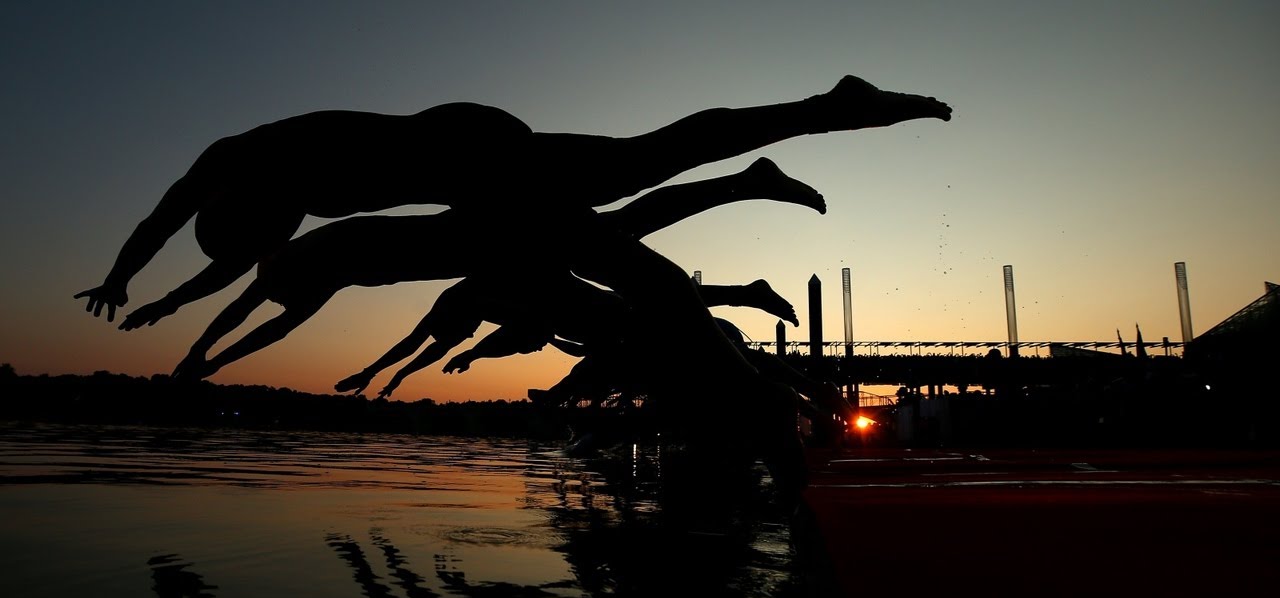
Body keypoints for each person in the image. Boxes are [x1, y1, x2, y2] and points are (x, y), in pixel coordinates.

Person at [76, 76, 950, 326]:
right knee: (640, 166)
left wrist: (129, 270)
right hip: (475, 164)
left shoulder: (240, 158)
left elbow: (161, 223)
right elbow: (232, 268)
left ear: (233, 203)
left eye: (270, 230)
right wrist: (132, 291)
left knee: (630, 180)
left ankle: (816, 119)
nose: (286, 236)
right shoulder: (272, 197)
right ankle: (816, 118)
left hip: (476, 153)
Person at [170, 158, 824, 382]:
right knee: (617, 235)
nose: (282, 309)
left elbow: (243, 313)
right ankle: (741, 197)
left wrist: (204, 354)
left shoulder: (297, 264)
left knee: (616, 232)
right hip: (481, 244)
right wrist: (208, 359)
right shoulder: (304, 275)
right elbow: (259, 325)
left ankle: (742, 185)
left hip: (479, 234)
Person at [334, 271, 797, 399]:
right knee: (649, 311)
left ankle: (743, 293)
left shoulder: (470, 300)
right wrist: (383, 377)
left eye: (463, 338)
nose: (458, 341)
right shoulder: (469, 309)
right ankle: (740, 295)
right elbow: (424, 350)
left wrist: (376, 371)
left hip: (573, 303)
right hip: (573, 310)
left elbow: (418, 345)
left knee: (648, 306)